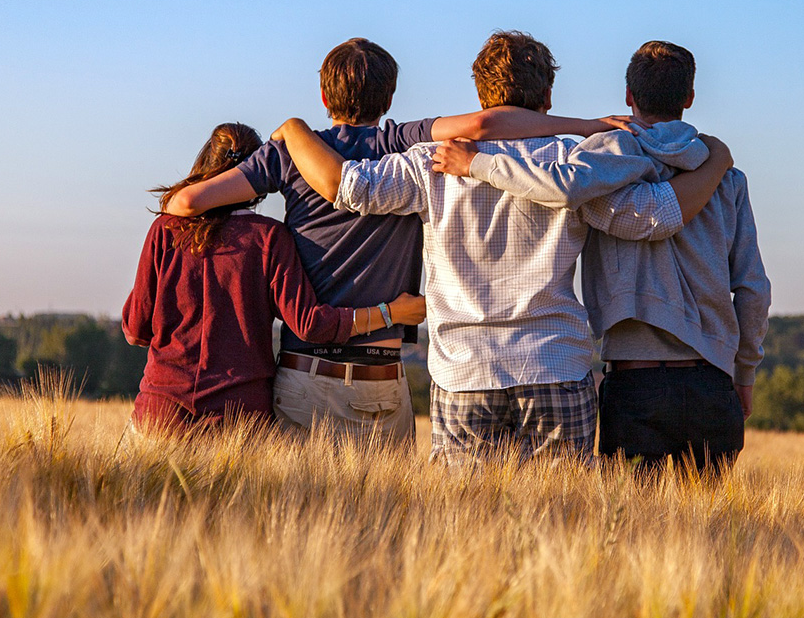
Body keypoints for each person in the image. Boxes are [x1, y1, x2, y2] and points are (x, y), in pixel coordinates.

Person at [272, 32, 732, 464]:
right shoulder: (574, 163)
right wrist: (716, 163)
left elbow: (348, 187)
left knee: (465, 525)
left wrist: (294, 130)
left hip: (463, 372)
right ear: (547, 99)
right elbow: (651, 218)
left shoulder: (430, 162)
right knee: (564, 522)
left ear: (480, 97)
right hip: (555, 364)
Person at [160, 37, 632, 443]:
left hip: (305, 373)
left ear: (324, 95)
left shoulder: (290, 152)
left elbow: (185, 205)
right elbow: (486, 126)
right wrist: (585, 126)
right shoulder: (401, 143)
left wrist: (288, 135)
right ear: (389, 99)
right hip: (383, 378)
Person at [432, 40, 770, 475]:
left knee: (627, 530)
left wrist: (478, 163)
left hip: (634, 381)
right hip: (713, 381)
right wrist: (744, 373)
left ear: (629, 96)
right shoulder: (726, 178)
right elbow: (753, 289)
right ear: (688, 98)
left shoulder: (600, 163)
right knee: (709, 534)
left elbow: (562, 187)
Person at [122, 122, 426, 435]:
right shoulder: (269, 238)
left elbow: (136, 330)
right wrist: (391, 313)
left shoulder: (165, 230)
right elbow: (310, 324)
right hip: (240, 418)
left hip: (161, 411)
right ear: (257, 176)